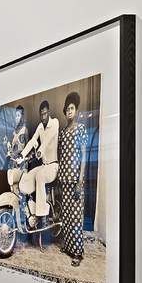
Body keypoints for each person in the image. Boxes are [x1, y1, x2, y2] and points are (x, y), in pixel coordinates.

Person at [57, 92, 89, 266]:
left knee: (76, 217)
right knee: (67, 215)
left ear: (76, 111)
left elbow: (83, 156)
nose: (69, 111)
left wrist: (79, 181)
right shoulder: (63, 132)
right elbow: (62, 156)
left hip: (76, 180)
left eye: (72, 109)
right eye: (67, 109)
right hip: (64, 179)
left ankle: (76, 252)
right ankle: (68, 246)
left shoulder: (81, 129)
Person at [19, 100, 60, 223]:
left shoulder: (55, 123)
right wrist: (22, 154)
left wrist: (40, 152)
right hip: (43, 166)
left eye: (45, 114)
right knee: (29, 175)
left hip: (53, 166)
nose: (43, 117)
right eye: (41, 114)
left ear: (49, 112)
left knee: (40, 176)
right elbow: (32, 141)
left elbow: (47, 140)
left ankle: (42, 216)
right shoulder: (40, 126)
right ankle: (31, 211)